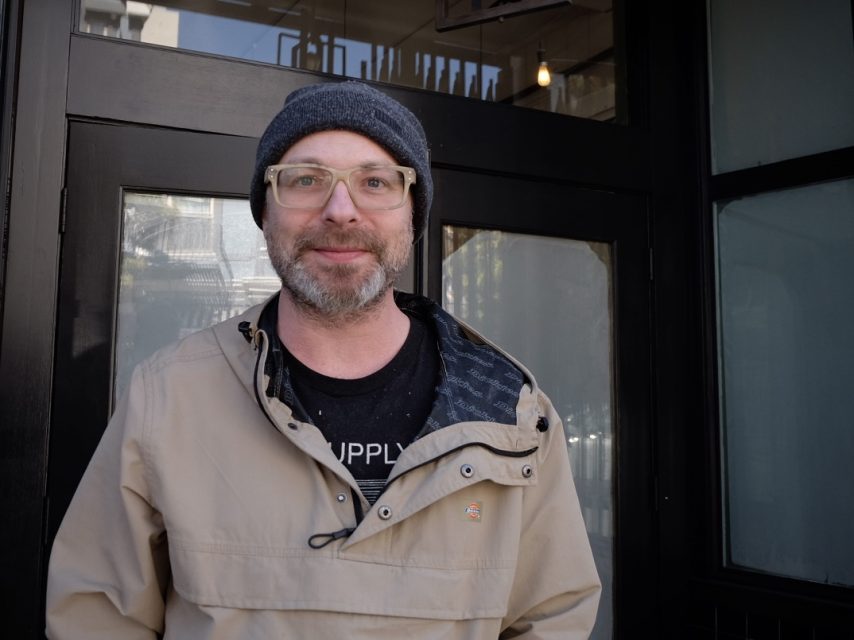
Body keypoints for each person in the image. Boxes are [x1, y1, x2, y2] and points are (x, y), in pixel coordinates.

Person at [46, 81, 600, 639]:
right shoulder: (168, 398)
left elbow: (550, 619)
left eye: (375, 182)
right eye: (306, 180)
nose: (341, 210)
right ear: (265, 211)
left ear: (413, 215)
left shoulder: (511, 413)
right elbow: (98, 620)